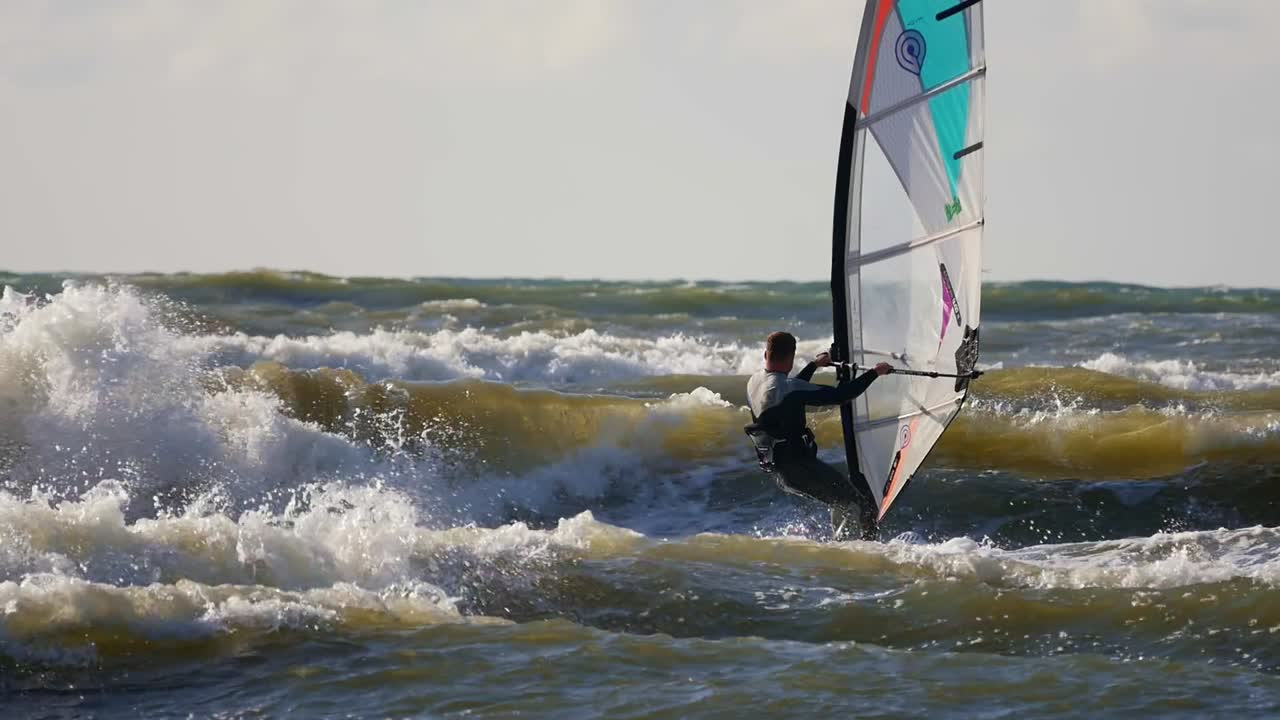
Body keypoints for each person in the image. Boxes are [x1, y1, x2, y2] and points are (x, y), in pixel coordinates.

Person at [744, 331, 891, 540]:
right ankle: (869, 552)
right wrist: (875, 372)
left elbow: (788, 392)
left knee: (841, 501)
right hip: (799, 469)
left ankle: (839, 545)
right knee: (863, 509)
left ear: (765, 354)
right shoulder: (788, 389)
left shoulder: (754, 382)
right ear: (791, 358)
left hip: (780, 470)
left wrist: (814, 365)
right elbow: (841, 396)